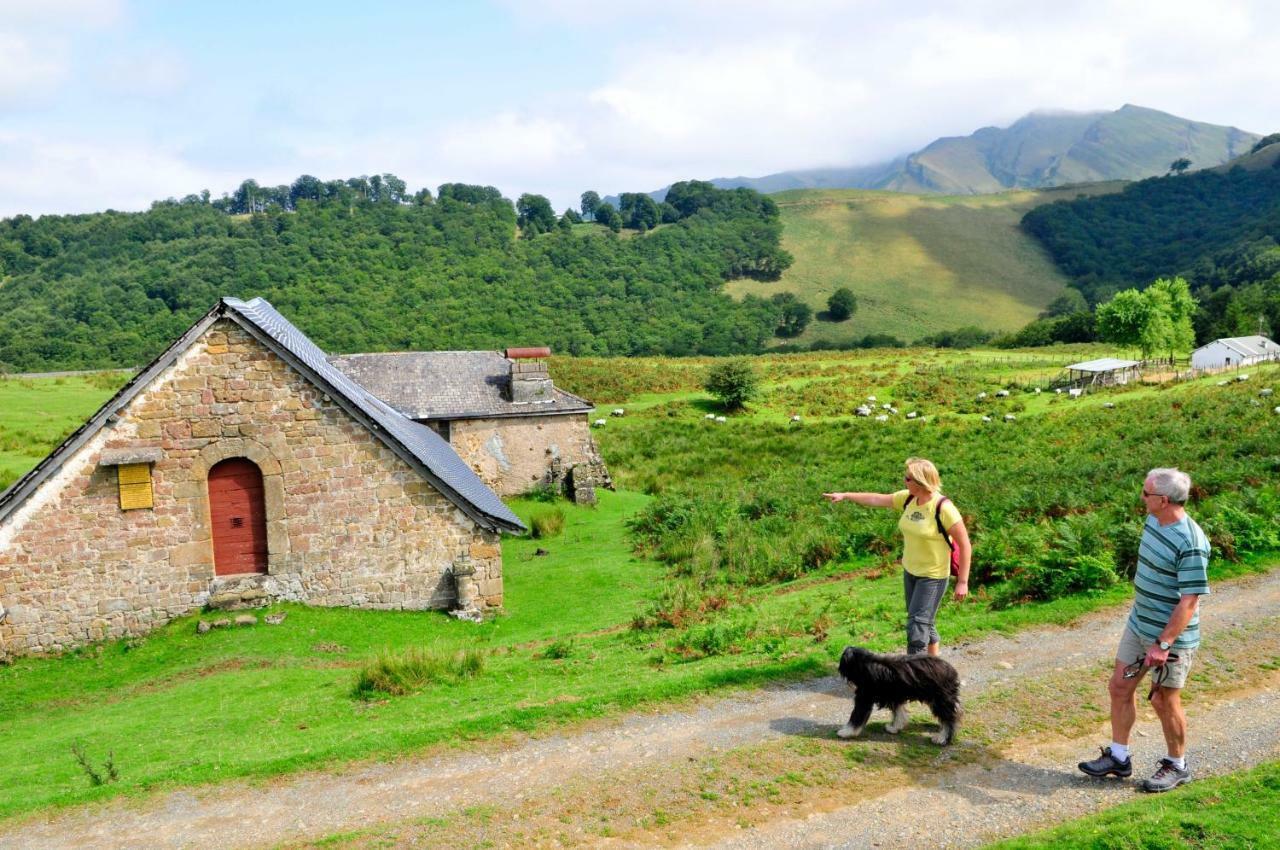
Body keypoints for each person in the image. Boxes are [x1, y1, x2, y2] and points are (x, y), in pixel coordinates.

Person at [1078, 467, 1211, 793]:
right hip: (1138, 625)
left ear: (1163, 500)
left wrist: (1164, 644)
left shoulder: (1191, 542)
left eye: (1145, 493)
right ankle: (1119, 757)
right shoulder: (1154, 520)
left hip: (1169, 639)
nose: (1141, 497)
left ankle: (1177, 765)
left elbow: (1189, 601)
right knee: (1119, 688)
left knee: (1164, 700)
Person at [823, 457, 971, 656]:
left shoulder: (943, 508)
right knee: (922, 619)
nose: (904, 481)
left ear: (921, 481)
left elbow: (965, 544)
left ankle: (915, 679)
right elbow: (876, 499)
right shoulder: (909, 498)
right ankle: (935, 667)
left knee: (917, 629)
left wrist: (962, 581)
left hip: (933, 576)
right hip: (910, 571)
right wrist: (846, 495)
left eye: (908, 478)